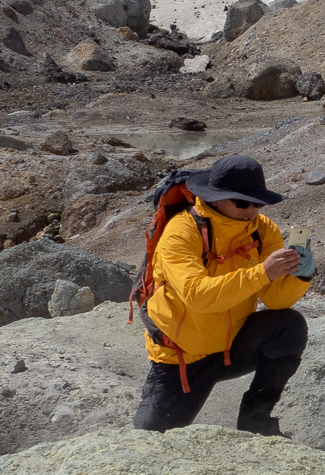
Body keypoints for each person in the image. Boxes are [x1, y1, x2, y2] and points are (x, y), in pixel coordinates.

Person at [132, 155, 315, 437]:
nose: (251, 210)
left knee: (288, 326)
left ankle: (257, 423)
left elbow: (277, 301)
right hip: (183, 358)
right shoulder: (181, 231)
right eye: (241, 202)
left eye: (257, 202)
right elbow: (197, 296)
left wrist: (300, 275)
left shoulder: (263, 230)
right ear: (214, 198)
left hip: (233, 345)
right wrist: (262, 272)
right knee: (149, 438)